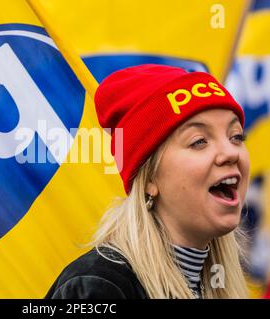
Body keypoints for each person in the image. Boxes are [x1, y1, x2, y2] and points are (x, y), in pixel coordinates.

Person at [45, 64, 250, 299]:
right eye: (199, 141)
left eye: (236, 136)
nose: (231, 153)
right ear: (148, 178)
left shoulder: (216, 281)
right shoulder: (98, 288)